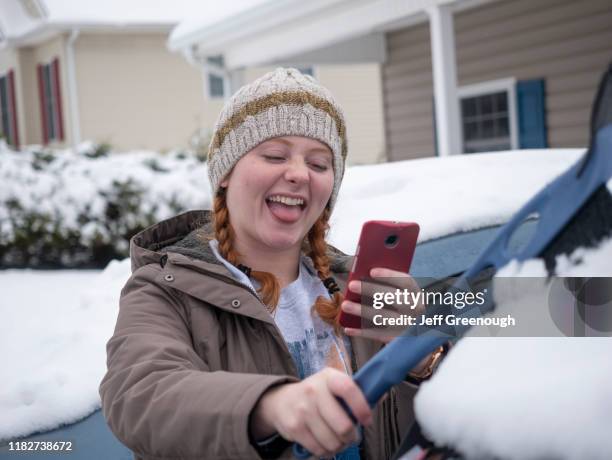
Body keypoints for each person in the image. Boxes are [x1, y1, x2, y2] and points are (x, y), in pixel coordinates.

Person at [99, 68, 445, 460]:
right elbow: (139, 395)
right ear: (226, 172)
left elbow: (434, 434)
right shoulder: (166, 288)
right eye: (274, 155)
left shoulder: (359, 290)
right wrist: (270, 405)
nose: (298, 174)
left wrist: (420, 357)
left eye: (318, 164)